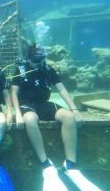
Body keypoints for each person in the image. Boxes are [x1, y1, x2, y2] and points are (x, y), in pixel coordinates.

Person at [11, 44, 83, 176]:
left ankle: (71, 162)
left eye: (41, 59)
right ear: (28, 58)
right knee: (30, 119)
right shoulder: (20, 70)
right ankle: (44, 162)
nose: (39, 63)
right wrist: (17, 114)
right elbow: (14, 92)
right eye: (35, 60)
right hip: (27, 105)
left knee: (69, 117)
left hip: (44, 103)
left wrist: (74, 109)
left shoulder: (48, 69)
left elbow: (61, 89)